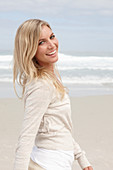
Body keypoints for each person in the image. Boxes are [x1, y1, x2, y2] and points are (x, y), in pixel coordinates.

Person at [13, 19, 93, 170]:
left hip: (58, 161)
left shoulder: (51, 80)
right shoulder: (41, 85)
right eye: (41, 42)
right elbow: (26, 136)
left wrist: (81, 157)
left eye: (52, 37)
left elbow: (61, 128)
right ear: (30, 50)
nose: (51, 45)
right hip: (48, 164)